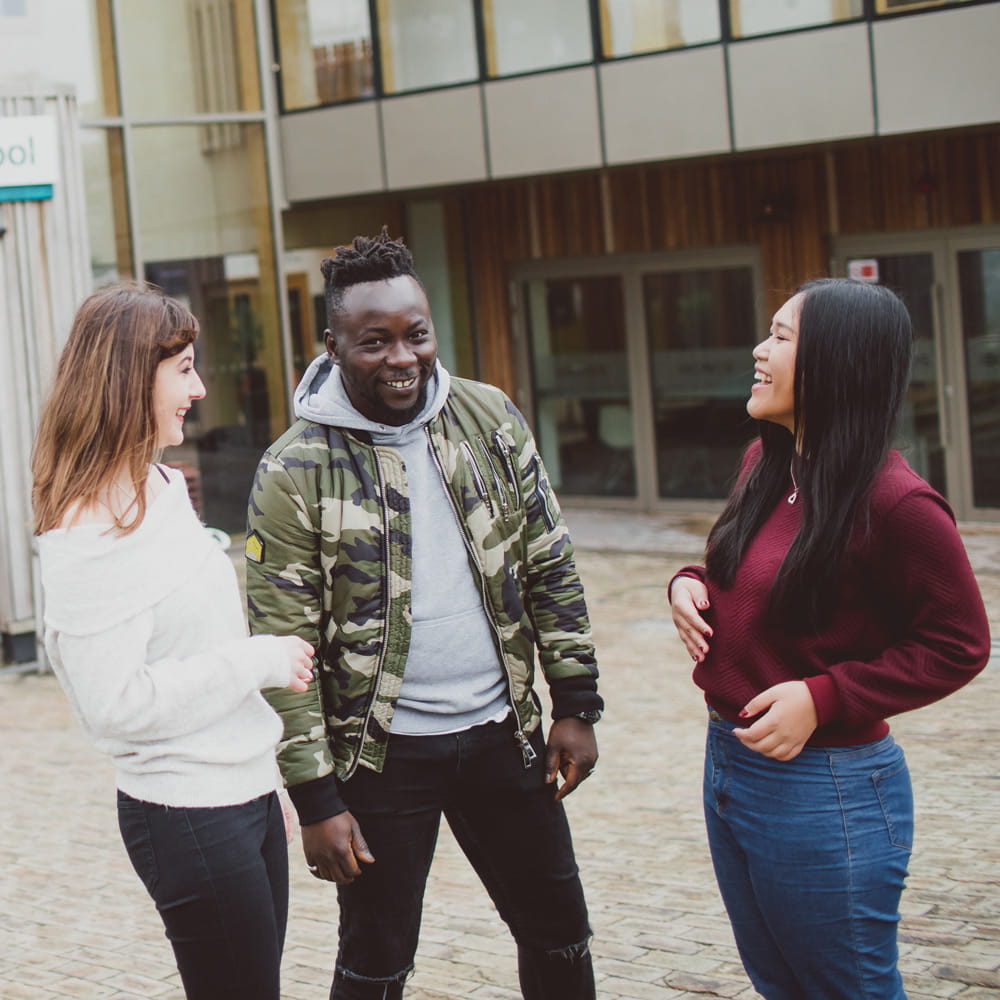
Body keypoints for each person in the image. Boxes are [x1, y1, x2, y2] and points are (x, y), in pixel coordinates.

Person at [245, 230, 603, 999]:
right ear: (334, 345)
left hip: (501, 735)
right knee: (377, 959)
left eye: (417, 335)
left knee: (561, 934)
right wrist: (314, 798)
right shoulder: (294, 467)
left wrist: (575, 703)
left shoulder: (490, 419)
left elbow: (549, 562)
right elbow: (284, 643)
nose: (402, 357)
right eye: (374, 342)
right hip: (381, 758)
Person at [668, 278, 991, 999]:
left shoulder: (896, 502)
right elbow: (742, 568)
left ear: (835, 364)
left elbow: (959, 642)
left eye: (781, 336)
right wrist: (688, 582)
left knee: (848, 989)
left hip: (827, 788)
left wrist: (826, 696)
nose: (758, 349)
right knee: (780, 983)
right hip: (731, 765)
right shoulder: (768, 463)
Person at [32, 283, 315, 1000]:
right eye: (184, 367)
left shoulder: (160, 486)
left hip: (238, 797)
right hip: (185, 815)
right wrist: (262, 659)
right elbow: (115, 706)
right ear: (131, 378)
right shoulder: (87, 528)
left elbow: (194, 640)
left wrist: (259, 780)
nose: (200, 387)